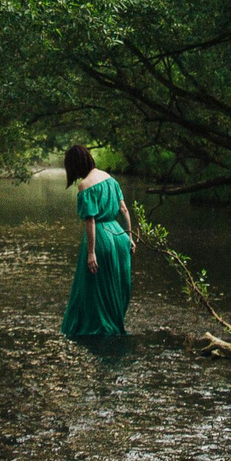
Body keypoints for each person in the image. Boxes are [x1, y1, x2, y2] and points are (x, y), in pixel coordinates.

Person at [59, 143, 133, 339]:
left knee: (94, 287)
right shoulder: (110, 179)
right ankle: (115, 324)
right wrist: (130, 237)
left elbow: (90, 219)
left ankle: (100, 329)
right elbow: (124, 210)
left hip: (101, 237)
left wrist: (91, 252)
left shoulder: (85, 185)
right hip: (119, 235)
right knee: (115, 284)